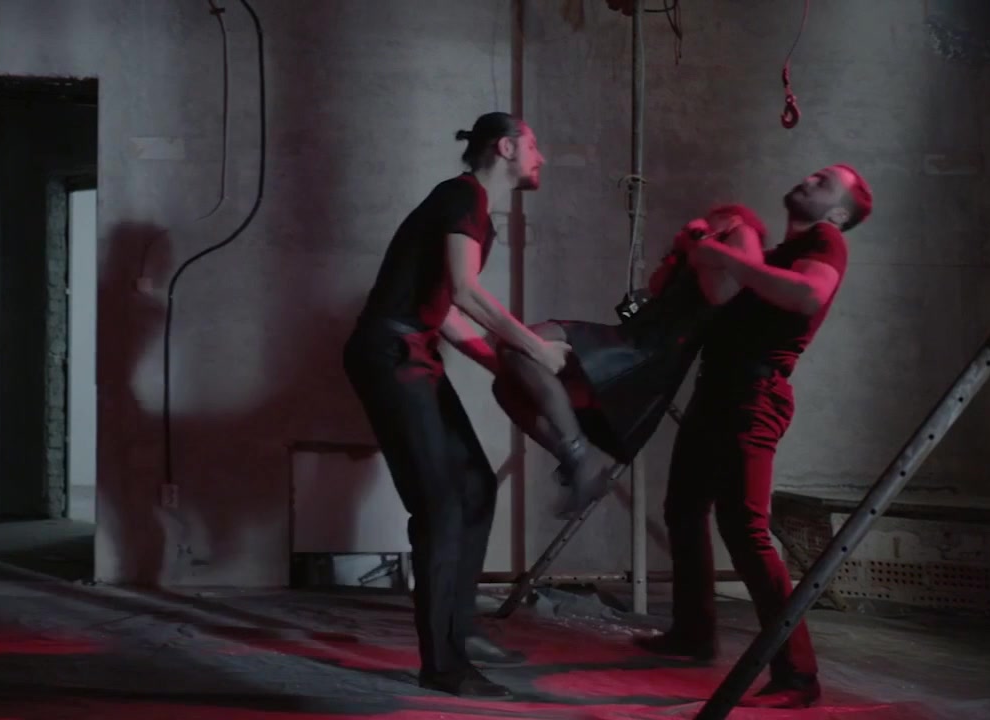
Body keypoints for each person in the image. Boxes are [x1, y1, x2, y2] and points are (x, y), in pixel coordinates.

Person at [343, 112, 593, 698]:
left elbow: (449, 313)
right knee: (440, 507)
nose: (541, 158)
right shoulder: (462, 197)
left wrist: (508, 368)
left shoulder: (474, 208)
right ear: (506, 147)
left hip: (413, 351)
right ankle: (443, 664)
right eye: (534, 146)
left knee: (477, 487)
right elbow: (465, 291)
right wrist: (534, 348)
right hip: (390, 354)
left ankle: (458, 629)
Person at [636, 164, 872, 710]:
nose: (809, 179)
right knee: (683, 509)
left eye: (824, 182)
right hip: (718, 389)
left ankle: (797, 676)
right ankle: (694, 634)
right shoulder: (774, 255)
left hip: (755, 394)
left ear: (838, 213)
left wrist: (726, 257)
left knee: (745, 529)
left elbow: (809, 295)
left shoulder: (825, 240)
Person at [491, 205, 764, 515]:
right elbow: (653, 290)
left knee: (517, 349)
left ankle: (577, 454)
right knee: (507, 381)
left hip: (651, 352)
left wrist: (700, 244)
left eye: (717, 217)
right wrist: (678, 254)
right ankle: (577, 456)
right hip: (629, 336)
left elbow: (722, 292)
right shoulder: (701, 245)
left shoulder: (741, 233)